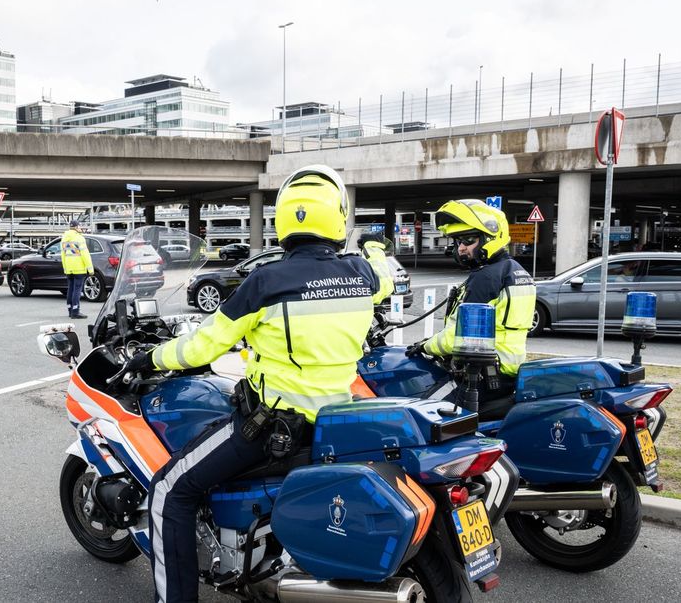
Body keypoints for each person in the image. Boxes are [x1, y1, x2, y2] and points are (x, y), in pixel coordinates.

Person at [124, 164, 393, 603]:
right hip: (335, 424)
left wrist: (149, 355)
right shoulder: (361, 274)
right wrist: (376, 249)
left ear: (284, 217)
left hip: (271, 431)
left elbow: (199, 350)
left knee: (170, 490)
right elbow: (384, 278)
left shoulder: (264, 282)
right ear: (338, 216)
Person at [411, 199, 536, 404]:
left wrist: (425, 346)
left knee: (422, 409)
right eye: (458, 241)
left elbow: (460, 337)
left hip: (481, 376)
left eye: (468, 240)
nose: (461, 248)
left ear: (490, 237)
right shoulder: (516, 270)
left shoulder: (487, 277)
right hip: (506, 371)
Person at [60, 219, 93, 319]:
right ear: (76, 227)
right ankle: (76, 311)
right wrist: (90, 269)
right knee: (77, 290)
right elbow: (85, 254)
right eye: (79, 226)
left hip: (69, 268)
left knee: (71, 289)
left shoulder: (64, 238)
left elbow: (63, 255)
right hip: (79, 268)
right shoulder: (79, 238)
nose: (80, 228)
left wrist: (65, 268)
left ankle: (70, 310)